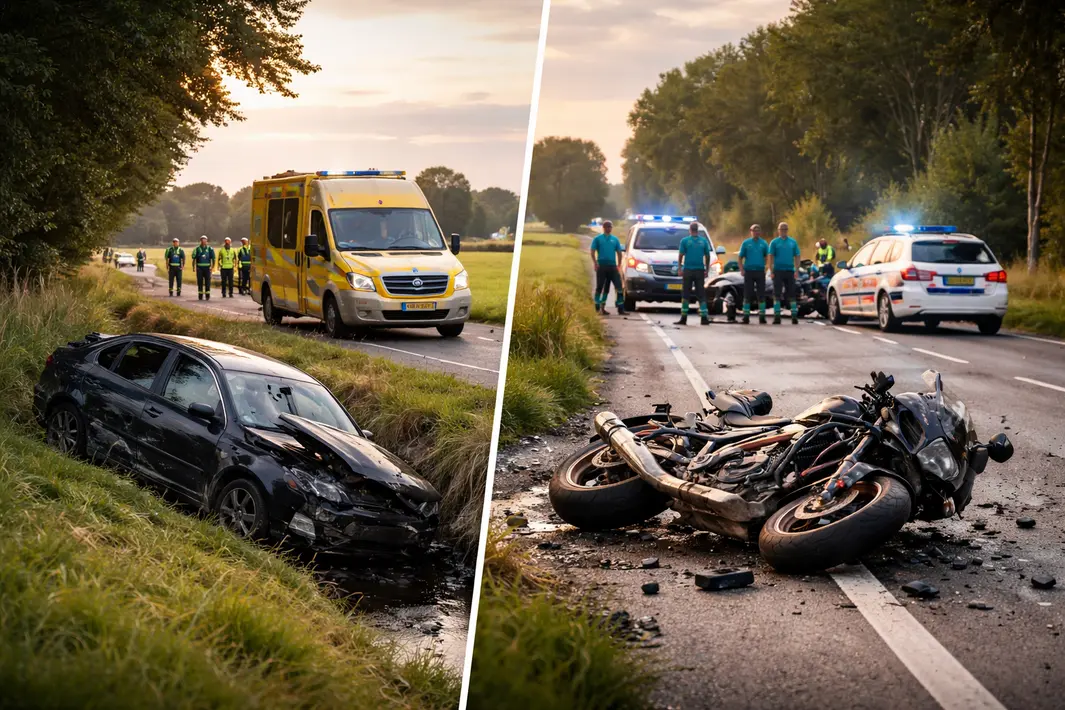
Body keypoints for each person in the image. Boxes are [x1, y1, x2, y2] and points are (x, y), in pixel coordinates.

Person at [674, 220, 711, 326]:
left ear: (689, 230)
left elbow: (680, 255)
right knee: (701, 294)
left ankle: (684, 318)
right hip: (699, 270)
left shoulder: (685, 241)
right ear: (697, 230)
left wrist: (680, 268)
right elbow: (707, 257)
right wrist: (707, 270)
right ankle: (704, 318)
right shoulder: (703, 241)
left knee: (686, 293)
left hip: (688, 270)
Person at [590, 220, 626, 315]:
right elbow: (592, 251)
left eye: (610, 227)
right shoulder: (597, 239)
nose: (609, 228)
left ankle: (620, 308)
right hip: (602, 266)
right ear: (604, 228)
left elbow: (619, 252)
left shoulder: (615, 239)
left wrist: (619, 265)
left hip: (612, 266)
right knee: (600, 287)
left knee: (618, 287)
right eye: (607, 227)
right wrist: (595, 262)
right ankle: (598, 307)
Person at [768, 222, 801, 325]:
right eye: (781, 229)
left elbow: (797, 256)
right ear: (778, 230)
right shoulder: (774, 242)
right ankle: (777, 317)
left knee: (791, 294)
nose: (783, 231)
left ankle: (794, 316)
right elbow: (770, 256)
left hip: (789, 271)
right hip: (778, 271)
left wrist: (796, 270)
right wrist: (770, 269)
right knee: (777, 294)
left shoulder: (792, 242)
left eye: (785, 229)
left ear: (787, 230)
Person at [737, 224, 769, 325]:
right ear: (751, 231)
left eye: (758, 231)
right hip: (749, 272)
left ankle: (762, 317)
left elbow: (767, 256)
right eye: (755, 231)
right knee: (747, 294)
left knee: (761, 294)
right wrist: (741, 269)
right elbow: (740, 257)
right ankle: (746, 317)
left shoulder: (763, 243)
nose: (757, 232)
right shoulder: (746, 243)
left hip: (760, 271)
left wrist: (766, 267)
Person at [192, 235, 215, 301]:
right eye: (202, 240)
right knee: (200, 282)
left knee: (208, 282)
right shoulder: (197, 249)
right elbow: (194, 258)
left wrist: (212, 267)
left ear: (207, 241)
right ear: (200, 241)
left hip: (207, 268)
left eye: (205, 240)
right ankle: (200, 295)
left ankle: (207, 295)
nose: (204, 241)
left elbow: (213, 258)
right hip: (199, 268)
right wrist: (194, 267)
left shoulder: (210, 249)